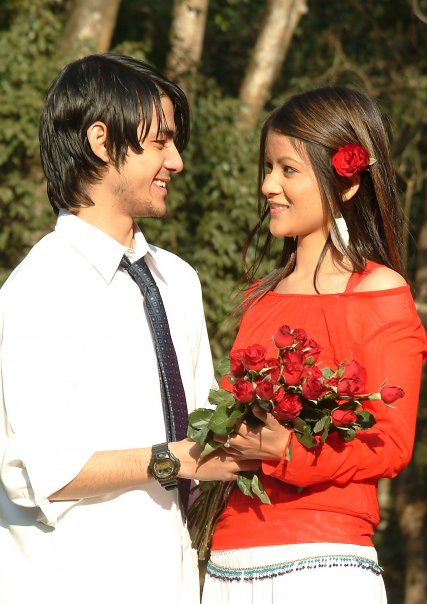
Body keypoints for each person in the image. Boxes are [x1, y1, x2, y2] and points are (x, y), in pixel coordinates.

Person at [0, 53, 258, 604]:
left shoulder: (177, 280)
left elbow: (202, 434)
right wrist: (171, 459)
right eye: (161, 142)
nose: (177, 162)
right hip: (70, 584)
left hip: (173, 580)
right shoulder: (39, 288)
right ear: (101, 140)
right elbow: (37, 469)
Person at [201, 86, 427, 604]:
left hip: (321, 562)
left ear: (346, 183)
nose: (268, 185)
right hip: (228, 560)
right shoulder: (260, 298)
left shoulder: (378, 291)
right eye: (268, 168)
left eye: (288, 169)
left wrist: (289, 451)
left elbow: (391, 441)